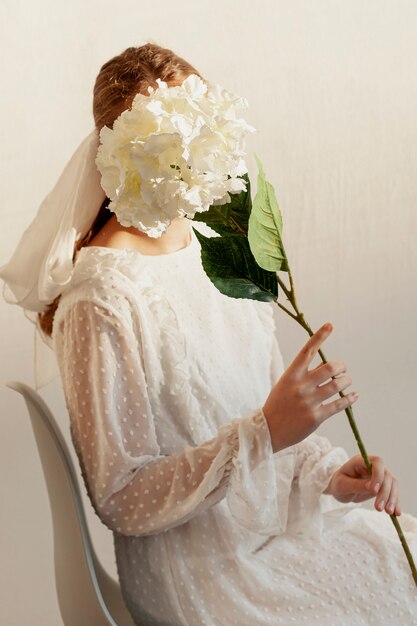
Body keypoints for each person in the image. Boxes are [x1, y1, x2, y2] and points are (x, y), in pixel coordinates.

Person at [3, 42, 417, 626]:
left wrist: (328, 474)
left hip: (276, 535)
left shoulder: (216, 251)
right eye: (176, 147)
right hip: (205, 576)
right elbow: (122, 496)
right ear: (124, 153)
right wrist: (264, 432)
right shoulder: (101, 300)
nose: (194, 164)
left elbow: (270, 407)